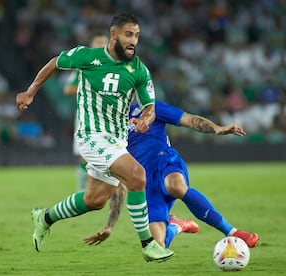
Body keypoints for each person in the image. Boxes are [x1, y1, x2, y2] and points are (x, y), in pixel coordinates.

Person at [15, 13, 174, 262]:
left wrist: (146, 118)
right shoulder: (88, 57)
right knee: (137, 176)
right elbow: (56, 62)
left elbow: (149, 106)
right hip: (91, 136)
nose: (134, 41)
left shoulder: (139, 70)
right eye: (129, 34)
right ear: (114, 35)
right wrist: (31, 90)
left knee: (94, 200)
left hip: (117, 139)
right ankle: (148, 244)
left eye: (137, 36)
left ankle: (44, 217)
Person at [84, 100, 260, 249]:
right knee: (157, 246)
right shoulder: (107, 128)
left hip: (164, 161)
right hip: (143, 182)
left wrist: (217, 128)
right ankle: (176, 226)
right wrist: (109, 226)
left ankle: (233, 232)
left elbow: (189, 120)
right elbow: (117, 181)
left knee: (175, 186)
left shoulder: (149, 107)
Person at [63, 33, 109, 192]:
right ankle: (83, 192)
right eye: (97, 42)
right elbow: (68, 89)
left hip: (109, 116)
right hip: (86, 116)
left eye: (103, 42)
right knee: (84, 155)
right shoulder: (84, 66)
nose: (100, 45)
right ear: (91, 45)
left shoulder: (114, 66)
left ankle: (106, 189)